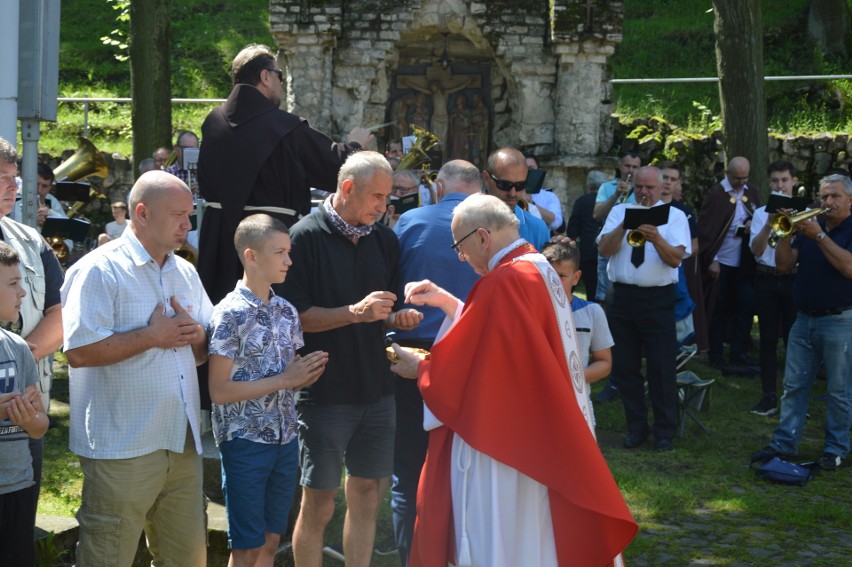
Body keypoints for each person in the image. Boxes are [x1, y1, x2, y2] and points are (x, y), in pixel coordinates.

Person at [390, 193, 636, 566]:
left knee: (508, 532)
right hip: (538, 431)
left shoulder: (503, 281)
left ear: (483, 237)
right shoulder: (537, 268)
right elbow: (505, 342)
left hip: (506, 442)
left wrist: (421, 369)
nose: (461, 256)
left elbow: (483, 366)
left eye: (460, 246)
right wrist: (449, 303)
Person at [61, 170, 213, 566]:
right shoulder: (98, 269)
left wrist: (196, 334)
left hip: (180, 441)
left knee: (187, 559)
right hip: (122, 446)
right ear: (142, 214)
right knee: (108, 558)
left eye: (190, 214)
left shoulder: (185, 271)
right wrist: (151, 336)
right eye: (178, 214)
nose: (187, 224)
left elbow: (201, 352)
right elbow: (78, 351)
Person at [279, 151, 422, 567]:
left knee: (366, 496)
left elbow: (384, 311)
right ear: (347, 189)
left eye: (388, 195)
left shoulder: (385, 239)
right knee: (320, 501)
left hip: (378, 388)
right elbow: (296, 319)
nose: (384, 205)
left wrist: (399, 316)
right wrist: (354, 312)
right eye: (377, 196)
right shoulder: (303, 237)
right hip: (324, 390)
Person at [197, 43, 372, 305]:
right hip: (271, 242)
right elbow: (333, 167)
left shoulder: (212, 123)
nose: (281, 83)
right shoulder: (283, 127)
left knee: (221, 313)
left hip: (220, 239)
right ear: (265, 77)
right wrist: (355, 145)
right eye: (278, 74)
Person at [207, 214, 329, 567]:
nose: (289, 261)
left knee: (271, 540)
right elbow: (218, 391)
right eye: (280, 252)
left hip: (285, 439)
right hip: (245, 442)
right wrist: (286, 380)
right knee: (245, 547)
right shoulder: (229, 314)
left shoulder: (287, 311)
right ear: (252, 256)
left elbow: (289, 376)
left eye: (288, 252)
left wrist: (307, 373)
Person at [389, 159, 482, 566]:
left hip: (413, 351)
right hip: (476, 358)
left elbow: (389, 285)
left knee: (409, 468)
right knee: (473, 465)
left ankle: (413, 555)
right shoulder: (504, 227)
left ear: (439, 189)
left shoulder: (410, 221)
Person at [751, 174, 852, 471]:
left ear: (850, 200)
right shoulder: (810, 229)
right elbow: (783, 266)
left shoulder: (834, 230)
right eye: (823, 196)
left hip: (840, 320)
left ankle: (835, 449)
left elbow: (848, 268)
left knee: (839, 390)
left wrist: (819, 235)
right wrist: (784, 233)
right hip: (804, 319)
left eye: (834, 196)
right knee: (793, 385)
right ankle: (785, 443)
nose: (827, 202)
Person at [598, 166, 691, 451]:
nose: (644, 192)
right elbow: (603, 249)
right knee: (625, 367)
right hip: (623, 297)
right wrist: (624, 226)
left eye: (650, 187)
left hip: (658, 298)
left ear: (663, 187)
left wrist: (657, 238)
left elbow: (676, 259)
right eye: (640, 186)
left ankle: (665, 431)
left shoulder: (674, 216)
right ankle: (636, 428)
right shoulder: (619, 212)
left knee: (661, 367)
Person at [0, 137, 64, 523]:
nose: (12, 186)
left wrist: (17, 355)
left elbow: (62, 311)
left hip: (28, 407)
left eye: (13, 178)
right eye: (1, 177)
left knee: (18, 527)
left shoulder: (30, 240)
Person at [0, 241, 49, 566]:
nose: (22, 293)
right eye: (13, 284)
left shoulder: (17, 347)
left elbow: (41, 424)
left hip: (16, 485)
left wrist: (30, 420)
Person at [747, 160, 800, 416]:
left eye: (784, 180)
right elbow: (756, 250)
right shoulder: (759, 213)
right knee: (767, 339)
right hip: (765, 278)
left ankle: (794, 397)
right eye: (775, 181)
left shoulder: (804, 210)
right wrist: (769, 222)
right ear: (769, 184)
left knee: (795, 341)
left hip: (793, 279)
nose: (780, 185)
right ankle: (768, 396)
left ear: (794, 182)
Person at [542, 240, 613, 428]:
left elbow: (604, 363)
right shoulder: (527, 312)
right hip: (537, 406)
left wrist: (572, 378)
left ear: (576, 277)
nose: (554, 282)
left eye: (561, 276)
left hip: (579, 406)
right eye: (548, 275)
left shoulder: (593, 312)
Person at [698, 156, 761, 368]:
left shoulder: (751, 191)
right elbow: (706, 230)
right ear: (727, 174)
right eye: (737, 178)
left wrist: (754, 222)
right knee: (719, 309)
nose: (742, 183)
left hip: (744, 262)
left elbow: (759, 215)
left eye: (745, 178)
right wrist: (712, 259)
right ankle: (715, 354)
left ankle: (739, 352)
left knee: (745, 306)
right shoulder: (716, 194)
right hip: (721, 263)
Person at [593, 152, 642, 305]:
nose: (630, 170)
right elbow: (597, 215)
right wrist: (616, 195)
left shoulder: (642, 191)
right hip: (609, 241)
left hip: (632, 243)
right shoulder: (607, 187)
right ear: (620, 167)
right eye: (627, 166)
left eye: (635, 167)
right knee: (604, 294)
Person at [480, 147, 550, 250]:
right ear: (486, 178)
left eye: (520, 185)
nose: (512, 193)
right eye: (504, 184)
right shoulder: (466, 221)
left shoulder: (537, 228)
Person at [566, 170, 607, 300]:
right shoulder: (609, 203)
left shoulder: (581, 201)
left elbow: (572, 229)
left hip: (587, 250)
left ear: (588, 185)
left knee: (590, 289)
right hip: (606, 250)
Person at [14, 162, 66, 226]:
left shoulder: (51, 200)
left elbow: (65, 224)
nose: (39, 190)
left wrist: (51, 215)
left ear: (50, 187)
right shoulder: (15, 198)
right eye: (36, 184)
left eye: (44, 186)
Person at [525, 153, 564, 233]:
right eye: (524, 168)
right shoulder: (510, 192)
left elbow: (556, 223)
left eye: (531, 168)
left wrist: (531, 203)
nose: (528, 172)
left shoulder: (549, 196)